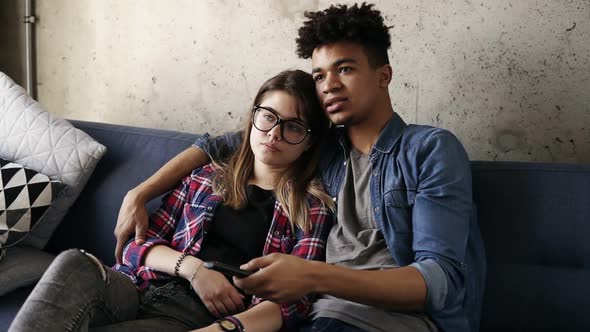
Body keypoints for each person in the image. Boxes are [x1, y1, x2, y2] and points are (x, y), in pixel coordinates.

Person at [114, 3, 486, 332]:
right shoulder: (319, 146)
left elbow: (439, 282)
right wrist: (141, 192)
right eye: (320, 75)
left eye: (345, 69)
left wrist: (311, 275)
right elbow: (230, 142)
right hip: (318, 314)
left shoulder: (429, 149)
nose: (329, 86)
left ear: (383, 75)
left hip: (390, 320)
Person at [9, 70, 334, 332]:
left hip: (189, 317)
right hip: (133, 289)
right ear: (253, 118)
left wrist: (225, 328)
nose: (274, 133)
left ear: (309, 141)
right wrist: (193, 270)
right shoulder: (206, 176)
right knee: (74, 262)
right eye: (268, 117)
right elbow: (137, 246)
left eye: (293, 127)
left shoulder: (310, 208)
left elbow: (294, 300)